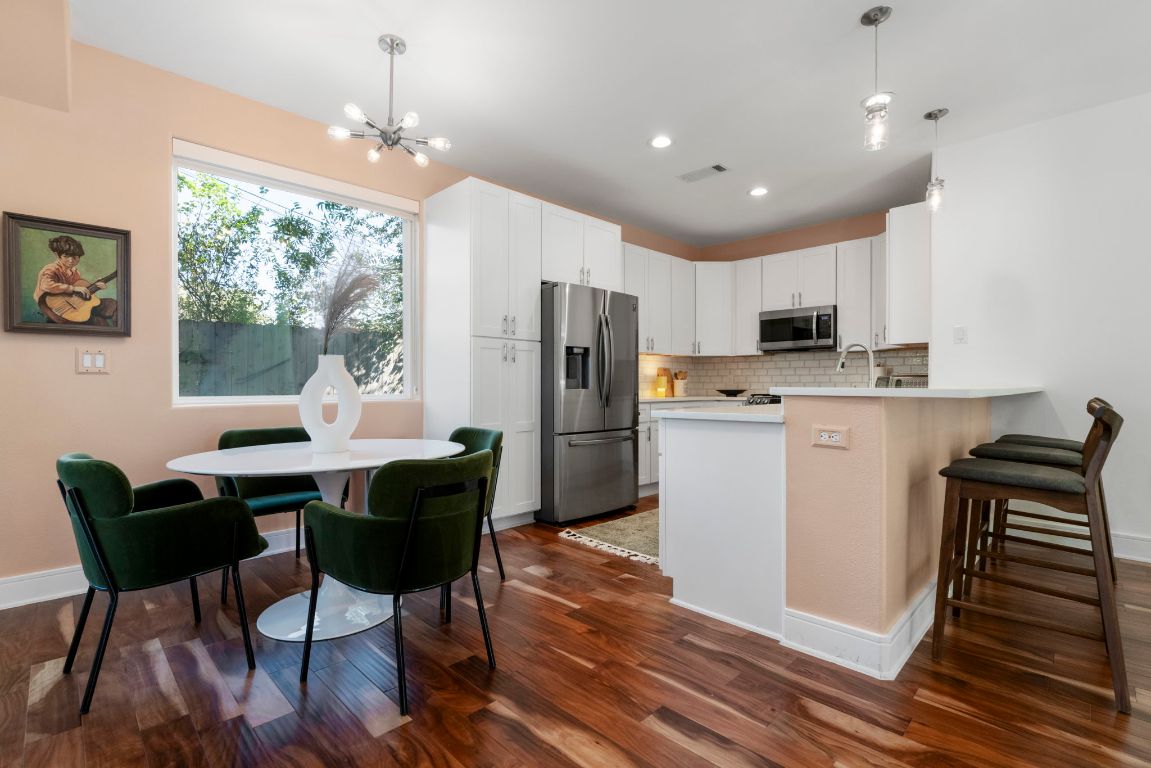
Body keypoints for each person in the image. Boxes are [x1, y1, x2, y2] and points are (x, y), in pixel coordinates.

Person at [33, 235, 118, 326]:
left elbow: (80, 289)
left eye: (75, 257)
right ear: (57, 255)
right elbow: (46, 285)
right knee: (100, 323)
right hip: (51, 307)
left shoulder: (74, 272)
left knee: (113, 304)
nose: (71, 260)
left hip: (75, 304)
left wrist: (96, 286)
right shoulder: (51, 269)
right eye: (66, 256)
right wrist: (73, 288)